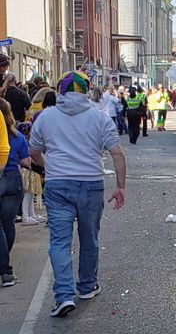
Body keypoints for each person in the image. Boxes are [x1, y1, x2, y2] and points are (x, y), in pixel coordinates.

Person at [29, 71, 126, 317]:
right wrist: (120, 187)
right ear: (86, 92)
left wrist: (47, 166)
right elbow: (117, 153)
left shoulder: (46, 117)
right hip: (91, 184)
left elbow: (34, 151)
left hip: (58, 185)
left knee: (59, 242)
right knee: (89, 238)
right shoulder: (100, 117)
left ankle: (63, 295)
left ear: (60, 92)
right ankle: (87, 286)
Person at [0, 98, 30, 287]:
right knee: (8, 223)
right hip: (12, 179)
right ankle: (5, 265)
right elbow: (26, 161)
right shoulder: (18, 137)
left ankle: (4, 267)